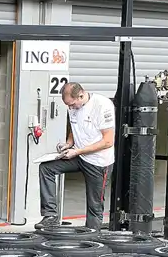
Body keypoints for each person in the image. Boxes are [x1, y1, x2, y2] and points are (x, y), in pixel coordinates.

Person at [37, 82, 115, 231]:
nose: (71, 108)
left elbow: (108, 141)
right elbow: (75, 126)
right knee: (46, 168)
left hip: (98, 162)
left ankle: (92, 235)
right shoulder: (73, 106)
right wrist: (68, 143)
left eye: (72, 104)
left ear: (81, 95)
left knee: (94, 206)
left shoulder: (102, 106)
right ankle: (50, 216)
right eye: (68, 105)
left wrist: (77, 151)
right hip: (79, 156)